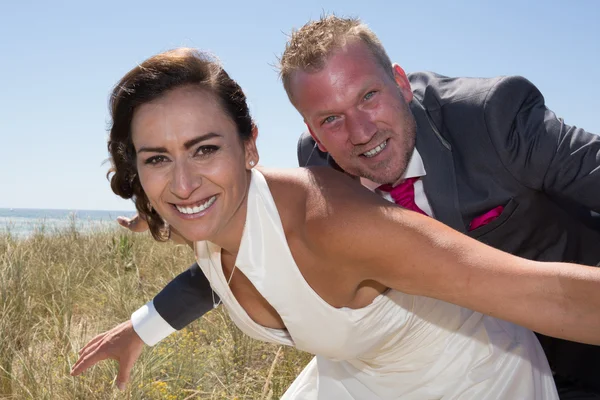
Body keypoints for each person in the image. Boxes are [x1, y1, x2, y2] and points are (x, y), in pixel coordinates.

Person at [72, 16, 600, 397]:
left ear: (399, 80)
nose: (359, 132)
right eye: (328, 119)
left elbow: (542, 279)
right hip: (383, 375)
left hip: (549, 349)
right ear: (308, 129)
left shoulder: (492, 119)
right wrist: (143, 323)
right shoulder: (317, 172)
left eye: (369, 97)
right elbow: (251, 254)